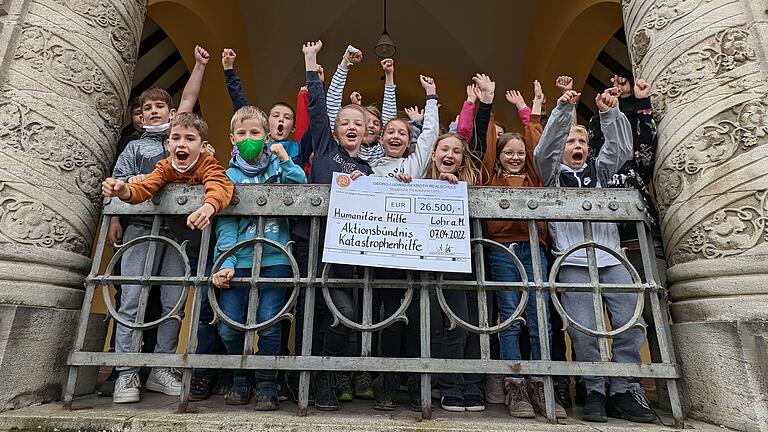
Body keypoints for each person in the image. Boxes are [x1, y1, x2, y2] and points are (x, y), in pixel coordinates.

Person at [534, 87, 656, 423]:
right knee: (583, 330)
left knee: (632, 325)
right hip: (572, 260)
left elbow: (618, 148)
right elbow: (545, 149)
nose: (576, 148)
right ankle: (593, 389)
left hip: (611, 257)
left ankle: (622, 388)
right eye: (571, 143)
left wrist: (608, 114)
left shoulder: (601, 174)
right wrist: (562, 110)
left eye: (582, 144)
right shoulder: (551, 177)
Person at [102, 111, 234, 404]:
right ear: (168, 142)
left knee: (173, 303)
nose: (181, 144)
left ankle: (161, 369)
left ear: (203, 145)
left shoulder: (206, 163)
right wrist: (123, 189)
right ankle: (126, 372)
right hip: (147, 233)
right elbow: (145, 187)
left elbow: (220, 185)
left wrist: (208, 207)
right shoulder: (164, 165)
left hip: (180, 239)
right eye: (176, 138)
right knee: (132, 300)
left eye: (190, 139)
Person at [205, 105, 307, 410]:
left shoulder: (277, 169)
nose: (248, 138)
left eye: (255, 133)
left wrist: (284, 158)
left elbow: (301, 185)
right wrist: (227, 262)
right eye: (242, 133)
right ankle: (241, 376)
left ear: (265, 137)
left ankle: (265, 382)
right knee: (228, 325)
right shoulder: (228, 175)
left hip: (276, 259)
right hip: (239, 260)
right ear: (232, 139)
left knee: (270, 323)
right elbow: (225, 223)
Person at [294, 39, 372, 412]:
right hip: (311, 240)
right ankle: (306, 382)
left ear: (367, 131)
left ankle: (324, 372)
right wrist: (312, 63)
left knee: (345, 314)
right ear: (336, 130)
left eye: (358, 123)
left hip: (346, 253)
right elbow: (317, 110)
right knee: (309, 311)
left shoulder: (369, 169)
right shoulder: (324, 149)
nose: (351, 126)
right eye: (345, 122)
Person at [485, 82, 566, 419]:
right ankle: (514, 384)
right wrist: (486, 104)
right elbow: (485, 140)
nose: (515, 157)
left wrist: (531, 110)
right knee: (510, 315)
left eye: (519, 152)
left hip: (535, 250)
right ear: (499, 155)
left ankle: (540, 382)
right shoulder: (489, 174)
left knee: (540, 316)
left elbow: (538, 143)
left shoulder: (534, 174)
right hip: (504, 250)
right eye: (508, 152)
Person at [367, 74, 440, 411]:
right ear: (380, 138)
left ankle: (413, 381)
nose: (396, 136)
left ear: (409, 141)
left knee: (415, 317)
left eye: (403, 133)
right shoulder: (369, 166)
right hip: (382, 258)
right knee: (389, 319)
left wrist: (431, 97)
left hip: (414, 256)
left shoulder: (415, 164)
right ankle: (388, 382)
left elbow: (430, 136)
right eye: (390, 132)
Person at [326, 45, 397, 163]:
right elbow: (332, 102)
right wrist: (345, 62)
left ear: (381, 133)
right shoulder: (339, 143)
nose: (370, 126)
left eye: (376, 123)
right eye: (365, 122)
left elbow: (390, 122)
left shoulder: (377, 153)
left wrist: (389, 75)